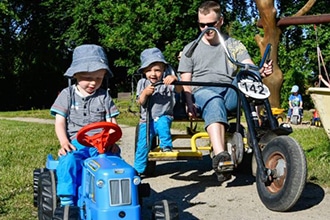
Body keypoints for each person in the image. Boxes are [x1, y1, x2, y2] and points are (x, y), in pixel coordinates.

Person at [178, 1, 273, 182]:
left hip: (229, 89)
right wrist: (188, 102)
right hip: (203, 91)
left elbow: (248, 65)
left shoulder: (233, 45)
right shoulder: (191, 48)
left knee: (246, 77)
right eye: (202, 25)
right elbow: (186, 80)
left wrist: (259, 72)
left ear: (220, 21)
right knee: (214, 100)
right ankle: (221, 157)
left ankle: (262, 130)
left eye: (211, 24)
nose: (206, 29)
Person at [50, 44, 120, 206]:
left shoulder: (104, 96)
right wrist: (64, 142)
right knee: (67, 160)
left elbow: (112, 123)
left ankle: (113, 196)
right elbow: (60, 122)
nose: (93, 83)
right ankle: (67, 199)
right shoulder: (67, 95)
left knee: (115, 162)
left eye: (98, 78)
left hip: (101, 143)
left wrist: (112, 141)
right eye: (88, 78)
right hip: (76, 142)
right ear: (76, 75)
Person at [134, 47, 182, 176]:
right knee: (142, 146)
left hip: (164, 115)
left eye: (157, 70)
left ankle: (166, 147)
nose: (153, 74)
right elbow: (140, 102)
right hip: (146, 120)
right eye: (149, 70)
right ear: (144, 72)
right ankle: (138, 170)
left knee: (162, 124)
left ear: (163, 70)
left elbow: (178, 90)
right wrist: (145, 93)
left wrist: (175, 80)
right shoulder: (142, 83)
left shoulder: (168, 81)